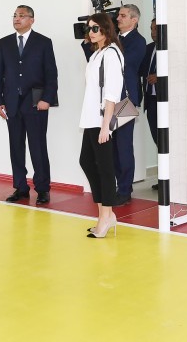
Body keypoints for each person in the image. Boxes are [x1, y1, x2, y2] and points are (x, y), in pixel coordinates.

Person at [0, 5, 59, 205]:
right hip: (11, 103)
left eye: (21, 16)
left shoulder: (43, 42)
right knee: (16, 147)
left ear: (32, 20)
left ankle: (43, 188)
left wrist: (47, 98)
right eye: (14, 15)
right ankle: (20, 187)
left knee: (38, 147)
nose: (17, 19)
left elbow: (51, 74)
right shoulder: (4, 42)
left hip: (35, 103)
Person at [78, 13, 123, 238]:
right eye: (89, 28)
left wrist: (106, 126)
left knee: (105, 168)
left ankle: (106, 217)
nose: (91, 32)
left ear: (106, 28)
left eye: (95, 28)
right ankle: (105, 214)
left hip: (100, 120)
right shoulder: (97, 53)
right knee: (87, 162)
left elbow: (112, 93)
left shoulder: (112, 54)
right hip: (90, 119)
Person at [110, 4, 146, 205]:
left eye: (123, 15)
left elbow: (124, 63)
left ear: (134, 20)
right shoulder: (113, 39)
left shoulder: (138, 41)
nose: (118, 18)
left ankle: (125, 189)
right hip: (109, 98)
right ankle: (118, 186)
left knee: (123, 146)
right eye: (118, 15)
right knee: (112, 147)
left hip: (126, 99)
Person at [139, 17, 158, 190]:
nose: (153, 32)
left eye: (156, 28)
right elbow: (139, 70)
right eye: (151, 29)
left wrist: (159, 78)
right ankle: (164, 179)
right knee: (158, 140)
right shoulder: (148, 48)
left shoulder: (171, 49)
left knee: (169, 142)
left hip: (166, 102)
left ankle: (172, 181)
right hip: (151, 102)